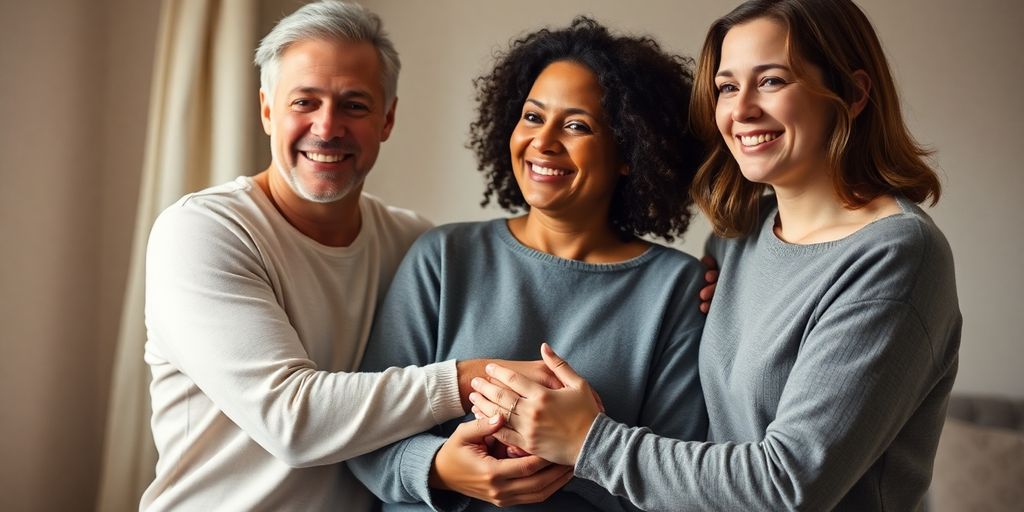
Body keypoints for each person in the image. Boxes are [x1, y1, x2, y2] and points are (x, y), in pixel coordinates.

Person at [470, 1, 962, 510]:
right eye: (727, 87)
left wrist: (588, 441)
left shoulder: (895, 255)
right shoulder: (737, 238)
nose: (741, 110)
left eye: (771, 81)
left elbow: (788, 487)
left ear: (854, 94)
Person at [140, 2, 559, 510]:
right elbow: (291, 422)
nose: (327, 127)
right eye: (304, 102)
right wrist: (466, 377)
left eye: (354, 105)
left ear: (387, 119)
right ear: (267, 110)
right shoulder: (203, 231)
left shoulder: (412, 242)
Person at [347, 17, 708, 511]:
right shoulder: (444, 257)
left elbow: (678, 480)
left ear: (629, 149)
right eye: (533, 117)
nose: (544, 141)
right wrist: (440, 468)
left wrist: (573, 450)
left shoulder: (677, 288)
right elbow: (364, 431)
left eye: (577, 125)